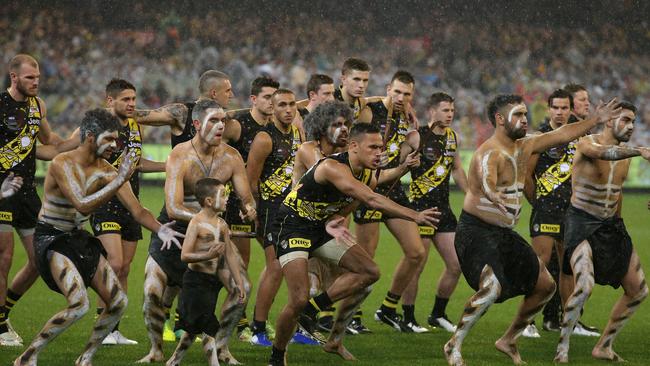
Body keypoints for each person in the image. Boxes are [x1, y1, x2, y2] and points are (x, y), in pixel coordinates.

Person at [443, 95, 619, 366]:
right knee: (491, 288)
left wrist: (595, 119)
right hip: (475, 232)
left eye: (525, 114)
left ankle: (509, 339)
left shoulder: (526, 145)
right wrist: (493, 194)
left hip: (503, 234)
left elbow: (562, 134)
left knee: (546, 286)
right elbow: (486, 176)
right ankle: (453, 344)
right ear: (500, 119)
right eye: (518, 114)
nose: (525, 119)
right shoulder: (488, 151)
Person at [14, 108, 182, 365]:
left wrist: (161, 228)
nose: (116, 145)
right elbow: (82, 204)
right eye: (110, 139)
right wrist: (119, 180)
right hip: (51, 239)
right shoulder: (63, 163)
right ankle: (27, 357)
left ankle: (86, 359)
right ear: (91, 137)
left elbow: (137, 210)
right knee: (79, 305)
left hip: (77, 238)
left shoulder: (106, 169)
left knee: (117, 302)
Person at [267, 123, 439, 365]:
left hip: (319, 227)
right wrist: (415, 215)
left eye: (381, 147)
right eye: (373, 147)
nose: (379, 152)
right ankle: (277, 355)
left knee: (370, 272)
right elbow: (370, 198)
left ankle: (314, 309)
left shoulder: (367, 172)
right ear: (354, 147)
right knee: (297, 299)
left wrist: (334, 219)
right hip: (292, 225)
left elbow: (356, 198)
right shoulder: (332, 166)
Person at [138, 99, 253, 364]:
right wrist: (209, 222)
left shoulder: (232, 157)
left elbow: (246, 196)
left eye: (223, 120)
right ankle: (156, 350)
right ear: (198, 124)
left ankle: (221, 348)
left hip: (212, 235)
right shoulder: (180, 154)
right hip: (174, 230)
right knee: (152, 290)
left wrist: (250, 209)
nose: (220, 126)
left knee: (241, 288)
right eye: (214, 120)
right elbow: (174, 206)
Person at [135, 69, 234, 342]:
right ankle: (166, 319)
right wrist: (120, 110)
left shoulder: (226, 119)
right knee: (172, 272)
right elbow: (144, 115)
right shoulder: (182, 113)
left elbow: (254, 111)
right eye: (228, 91)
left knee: (191, 275)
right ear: (213, 92)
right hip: (179, 206)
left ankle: (182, 321)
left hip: (207, 205)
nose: (231, 96)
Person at [554, 101, 649, 363]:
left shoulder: (624, 157)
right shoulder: (587, 144)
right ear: (609, 121)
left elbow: (615, 194)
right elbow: (601, 153)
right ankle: (562, 348)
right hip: (581, 223)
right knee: (584, 285)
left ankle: (604, 346)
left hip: (611, 226)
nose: (630, 126)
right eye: (625, 120)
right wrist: (639, 151)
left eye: (633, 121)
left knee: (639, 290)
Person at [0, 54, 79, 347]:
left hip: (28, 193)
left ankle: (3, 312)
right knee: (4, 256)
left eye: (38, 78)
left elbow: (48, 146)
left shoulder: (38, 106)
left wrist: (82, 138)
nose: (36, 83)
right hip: (2, 191)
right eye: (30, 78)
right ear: (14, 77)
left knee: (39, 259)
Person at [85, 79, 165, 345]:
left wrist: (169, 165)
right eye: (125, 100)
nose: (132, 104)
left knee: (125, 268)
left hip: (131, 202)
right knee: (114, 262)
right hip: (105, 202)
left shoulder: (134, 126)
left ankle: (113, 328)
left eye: (133, 99)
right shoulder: (96, 128)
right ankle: (102, 325)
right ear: (110, 101)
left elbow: (137, 162)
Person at [523, 89, 599, 338]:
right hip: (545, 211)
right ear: (548, 109)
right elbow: (526, 176)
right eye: (555, 107)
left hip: (571, 213)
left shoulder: (581, 137)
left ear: (570, 110)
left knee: (567, 268)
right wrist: (538, 201)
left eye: (564, 108)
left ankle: (569, 322)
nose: (559, 112)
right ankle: (528, 322)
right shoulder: (540, 137)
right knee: (540, 263)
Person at [246, 89, 317, 346]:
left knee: (298, 267)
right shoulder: (265, 138)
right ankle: (258, 329)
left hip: (295, 210)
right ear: (272, 109)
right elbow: (250, 179)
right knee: (275, 267)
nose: (288, 109)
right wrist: (255, 211)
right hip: (270, 211)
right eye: (282, 105)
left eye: (291, 105)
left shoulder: (299, 135)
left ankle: (296, 328)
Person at [354, 70, 422, 333]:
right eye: (396, 92)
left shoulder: (406, 115)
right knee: (365, 259)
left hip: (393, 188)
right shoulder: (371, 111)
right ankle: (353, 315)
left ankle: (388, 308)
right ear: (387, 89)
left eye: (406, 94)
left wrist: (407, 158)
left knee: (416, 252)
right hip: (370, 188)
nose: (401, 97)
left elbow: (406, 138)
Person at [400, 92, 467, 333]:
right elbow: (395, 165)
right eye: (445, 110)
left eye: (451, 110)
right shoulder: (417, 137)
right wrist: (406, 164)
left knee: (456, 264)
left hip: (444, 210)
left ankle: (437, 314)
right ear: (431, 111)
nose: (449, 114)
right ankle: (407, 316)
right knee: (417, 265)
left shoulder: (453, 137)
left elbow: (457, 169)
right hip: (421, 209)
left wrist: (469, 195)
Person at [165, 178, 247, 366]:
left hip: (212, 283)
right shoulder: (196, 222)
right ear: (209, 201)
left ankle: (173, 362)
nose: (227, 199)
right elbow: (185, 255)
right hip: (195, 282)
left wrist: (239, 283)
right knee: (208, 328)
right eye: (223, 195)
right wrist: (206, 255)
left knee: (194, 329)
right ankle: (214, 363)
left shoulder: (222, 225)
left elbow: (230, 256)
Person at [222, 76, 279, 339]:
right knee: (241, 263)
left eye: (275, 97)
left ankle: (257, 320)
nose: (272, 102)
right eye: (267, 97)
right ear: (254, 99)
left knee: (277, 260)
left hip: (269, 204)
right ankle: (241, 322)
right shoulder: (238, 125)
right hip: (239, 204)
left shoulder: (278, 126)